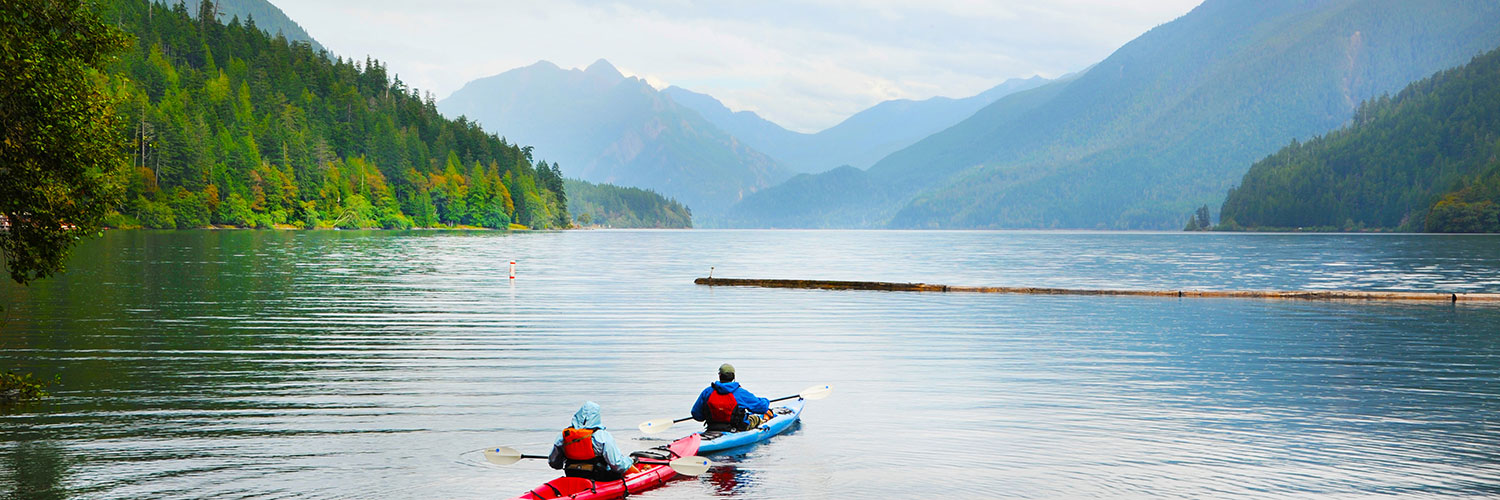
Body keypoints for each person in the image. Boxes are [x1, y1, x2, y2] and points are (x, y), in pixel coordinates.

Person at [548, 401, 639, 482]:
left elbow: (554, 463)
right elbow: (617, 465)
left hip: (572, 475)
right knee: (621, 467)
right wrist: (629, 460)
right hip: (599, 477)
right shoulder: (602, 436)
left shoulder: (564, 435)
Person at [691, 363, 772, 432]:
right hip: (737, 428)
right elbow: (762, 408)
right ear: (733, 376)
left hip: (712, 428)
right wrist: (766, 400)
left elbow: (696, 415)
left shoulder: (707, 392)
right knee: (755, 418)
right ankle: (765, 419)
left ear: (720, 375)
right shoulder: (740, 393)